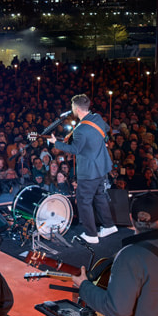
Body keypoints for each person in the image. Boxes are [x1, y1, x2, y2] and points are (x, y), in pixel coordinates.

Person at [47, 94, 116, 243]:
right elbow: (107, 130)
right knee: (100, 196)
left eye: (72, 107)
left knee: (84, 200)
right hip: (101, 166)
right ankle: (109, 226)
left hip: (89, 171)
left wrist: (55, 143)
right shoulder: (97, 118)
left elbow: (75, 149)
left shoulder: (80, 129)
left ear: (77, 109)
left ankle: (91, 235)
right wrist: (102, 142)